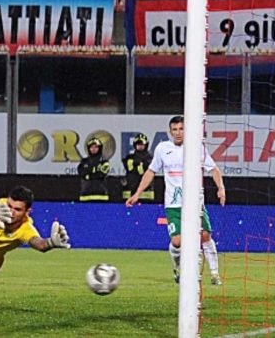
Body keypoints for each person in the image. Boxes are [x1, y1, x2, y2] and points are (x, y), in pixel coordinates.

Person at [125, 116, 226, 286]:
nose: (178, 133)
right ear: (170, 131)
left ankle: (215, 273)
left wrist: (221, 188)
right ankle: (178, 267)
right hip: (173, 204)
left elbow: (213, 169)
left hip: (195, 203)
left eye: (181, 129)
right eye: (175, 129)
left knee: (205, 235)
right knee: (177, 241)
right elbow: (150, 172)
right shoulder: (163, 149)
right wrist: (137, 193)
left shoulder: (196, 148)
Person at [121, 133, 153, 201]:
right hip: (131, 191)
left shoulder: (149, 158)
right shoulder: (129, 157)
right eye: (138, 144)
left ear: (146, 145)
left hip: (146, 193)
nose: (140, 146)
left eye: (142, 144)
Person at [77, 137, 110, 202]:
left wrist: (89, 175)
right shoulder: (84, 161)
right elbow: (81, 172)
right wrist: (92, 173)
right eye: (91, 147)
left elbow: (101, 174)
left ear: (99, 148)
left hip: (101, 195)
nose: (93, 149)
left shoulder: (104, 161)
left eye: (96, 147)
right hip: (85, 195)